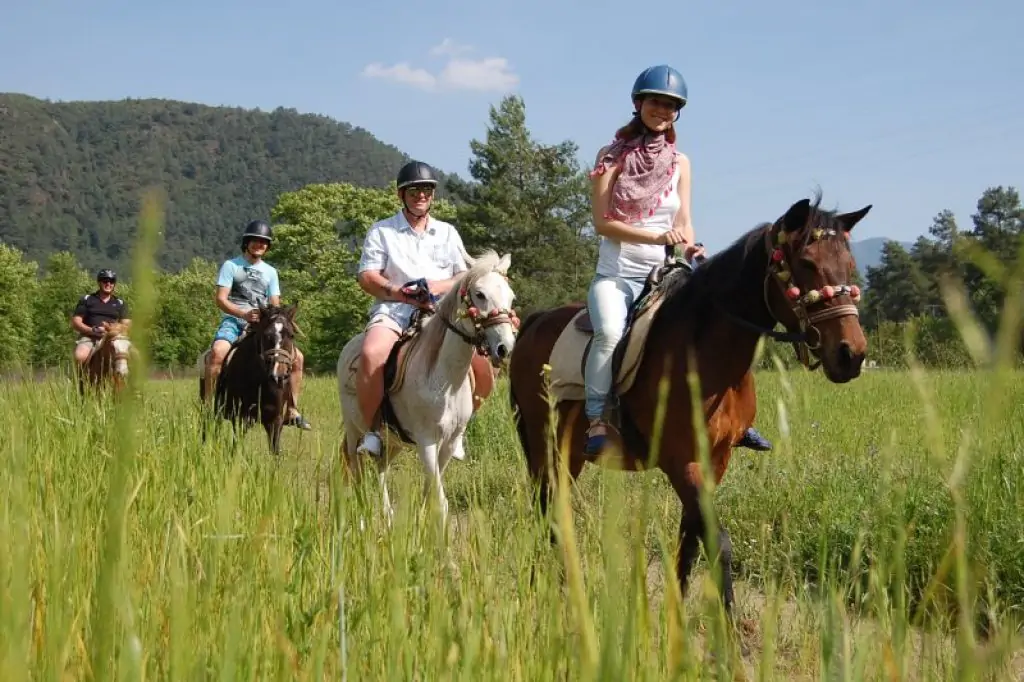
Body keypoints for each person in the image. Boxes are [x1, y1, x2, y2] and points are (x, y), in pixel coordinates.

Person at [583, 64, 773, 456]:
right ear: (639, 104)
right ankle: (597, 418)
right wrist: (655, 235)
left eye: (671, 105)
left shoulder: (680, 163)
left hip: (664, 274)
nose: (663, 110)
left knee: (716, 328)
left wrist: (690, 247)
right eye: (656, 102)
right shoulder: (610, 157)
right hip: (617, 276)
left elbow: (683, 220)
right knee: (610, 335)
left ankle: (737, 419)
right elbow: (603, 223)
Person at [353, 160, 473, 458]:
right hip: (394, 310)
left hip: (441, 313)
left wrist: (437, 287)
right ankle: (372, 432)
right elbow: (367, 276)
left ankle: (458, 431)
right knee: (371, 354)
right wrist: (399, 292)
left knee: (483, 365)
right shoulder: (382, 231)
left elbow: (463, 275)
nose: (422, 195)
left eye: (427, 190)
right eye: (415, 190)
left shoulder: (447, 232)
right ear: (401, 195)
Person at [203, 219, 311, 430]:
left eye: (263, 242)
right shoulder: (231, 266)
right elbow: (221, 299)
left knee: (297, 358)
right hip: (234, 321)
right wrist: (243, 314)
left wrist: (275, 319)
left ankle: (291, 409)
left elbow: (275, 303)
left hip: (264, 325)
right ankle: (209, 407)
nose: (259, 245)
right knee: (217, 352)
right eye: (255, 241)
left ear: (267, 247)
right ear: (247, 242)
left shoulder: (271, 272)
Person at [70, 268, 131, 367]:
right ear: (99, 282)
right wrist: (93, 330)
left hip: (114, 338)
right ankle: (76, 380)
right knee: (80, 356)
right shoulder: (87, 299)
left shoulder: (120, 303)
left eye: (111, 281)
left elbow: (127, 324)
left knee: (136, 357)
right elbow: (76, 322)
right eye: (105, 281)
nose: (108, 284)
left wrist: (112, 330)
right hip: (90, 337)